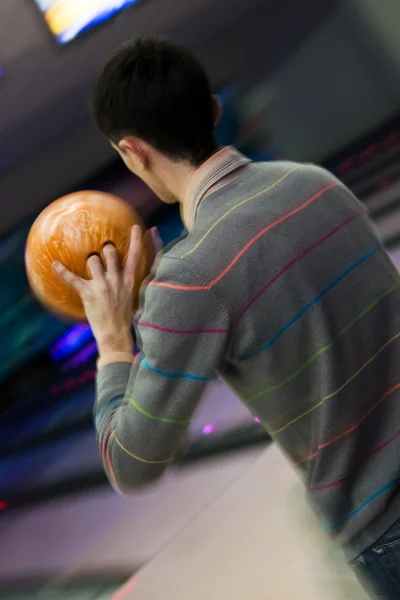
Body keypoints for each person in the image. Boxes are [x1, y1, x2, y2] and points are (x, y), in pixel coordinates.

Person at [53, 38, 400, 599]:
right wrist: (163, 297)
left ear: (133, 152)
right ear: (213, 110)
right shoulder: (312, 181)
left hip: (386, 528)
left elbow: (132, 462)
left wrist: (115, 339)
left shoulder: (190, 279)